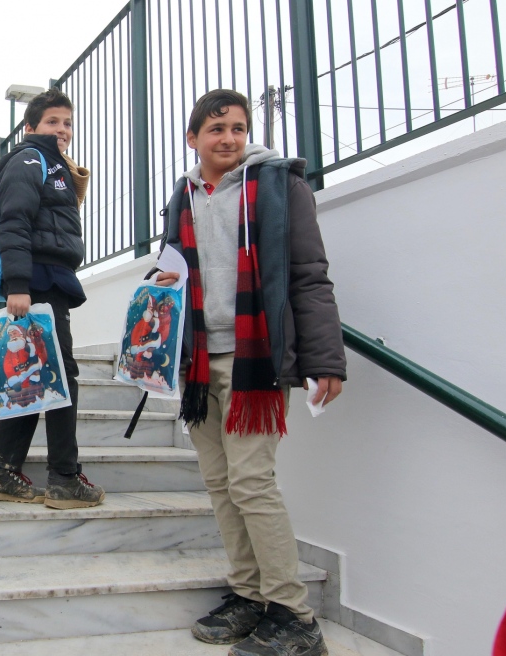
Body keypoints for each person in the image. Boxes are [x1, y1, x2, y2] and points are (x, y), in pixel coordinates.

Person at [153, 89, 346, 656]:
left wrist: (324, 358)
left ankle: (293, 613)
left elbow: (309, 275)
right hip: (197, 359)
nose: (229, 138)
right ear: (193, 138)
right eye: (216, 129)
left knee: (251, 482)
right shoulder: (182, 198)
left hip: (253, 359)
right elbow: (172, 267)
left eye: (238, 127)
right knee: (219, 484)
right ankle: (248, 594)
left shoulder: (279, 187)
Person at [0, 88, 105, 510]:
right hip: (37, 284)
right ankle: (64, 478)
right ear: (30, 128)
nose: (62, 130)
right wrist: (18, 286)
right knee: (61, 378)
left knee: (36, 377)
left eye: (67, 122)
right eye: (52, 122)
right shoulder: (32, 159)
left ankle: (1, 471)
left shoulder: (51, 164)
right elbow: (15, 220)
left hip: (43, 281)